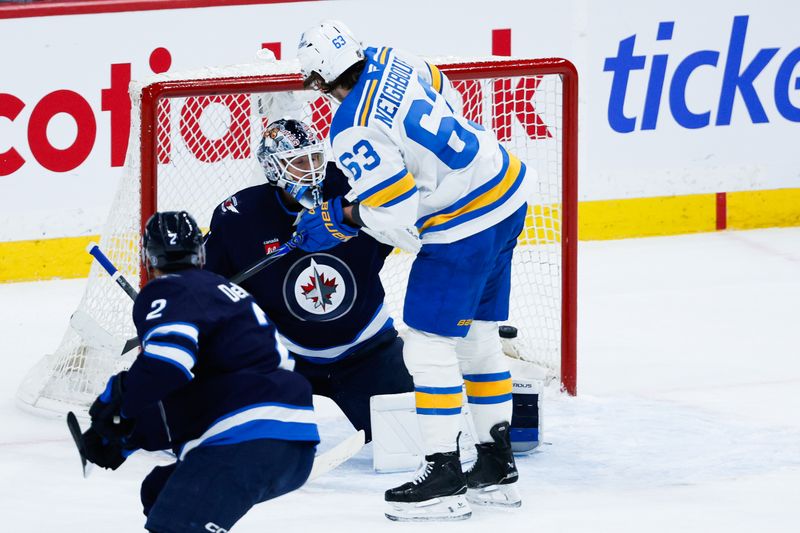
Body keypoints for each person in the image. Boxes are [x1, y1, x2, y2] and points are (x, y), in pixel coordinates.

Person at [296, 21, 528, 521]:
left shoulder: (350, 129)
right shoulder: (391, 56)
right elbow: (443, 87)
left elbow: (398, 215)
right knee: (478, 338)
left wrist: (343, 216)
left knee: (426, 345)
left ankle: (443, 475)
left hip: (463, 225)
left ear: (319, 78)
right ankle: (496, 466)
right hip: (507, 189)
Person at [76, 211, 319, 532]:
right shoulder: (231, 295)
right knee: (160, 491)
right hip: (295, 443)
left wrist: (117, 399)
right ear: (200, 253)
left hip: (242, 441)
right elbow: (199, 392)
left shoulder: (166, 292)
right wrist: (128, 437)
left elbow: (168, 366)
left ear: (149, 259)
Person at [203, 118, 414, 443]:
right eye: (299, 162)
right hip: (281, 356)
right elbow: (205, 285)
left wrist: (354, 216)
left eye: (315, 157)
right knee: (226, 436)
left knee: (409, 443)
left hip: (369, 349)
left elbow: (411, 222)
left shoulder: (353, 187)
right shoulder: (241, 215)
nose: (312, 169)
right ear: (273, 168)